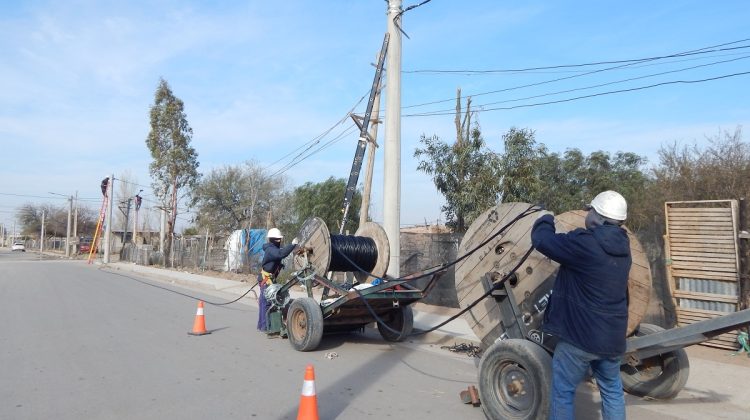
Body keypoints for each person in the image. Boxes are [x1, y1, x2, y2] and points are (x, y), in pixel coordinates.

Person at [530, 190, 632, 420]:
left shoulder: (585, 243)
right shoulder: (625, 249)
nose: (587, 215)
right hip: (612, 339)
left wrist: (545, 217)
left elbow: (542, 240)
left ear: (598, 216)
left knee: (563, 391)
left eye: (590, 211)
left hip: (581, 338)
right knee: (612, 391)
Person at [257, 228, 298, 333]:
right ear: (272, 239)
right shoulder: (271, 249)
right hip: (266, 280)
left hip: (269, 279)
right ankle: (265, 327)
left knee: (266, 302)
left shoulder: (272, 248)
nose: (279, 241)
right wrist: (292, 245)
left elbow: (280, 253)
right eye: (277, 239)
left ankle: (264, 325)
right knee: (265, 303)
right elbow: (281, 254)